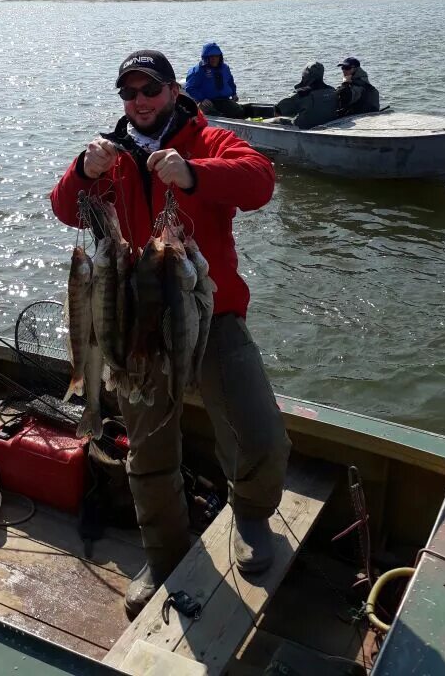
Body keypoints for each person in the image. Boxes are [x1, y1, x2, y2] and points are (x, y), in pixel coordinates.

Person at [51, 49, 290, 619]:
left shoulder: (208, 139)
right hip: (137, 325)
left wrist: (193, 173)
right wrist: (82, 172)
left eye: (149, 90)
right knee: (149, 450)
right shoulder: (109, 155)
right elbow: (65, 209)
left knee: (261, 436)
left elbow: (261, 182)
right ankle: (164, 554)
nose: (139, 102)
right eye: (129, 94)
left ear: (173, 89)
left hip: (212, 313)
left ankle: (251, 515)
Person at [184, 42, 247, 118]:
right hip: (206, 102)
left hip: (223, 100)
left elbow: (230, 82)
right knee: (216, 115)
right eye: (211, 56)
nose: (214, 59)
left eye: (216, 56)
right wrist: (202, 99)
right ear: (205, 57)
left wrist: (234, 94)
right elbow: (190, 87)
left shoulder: (225, 68)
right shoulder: (198, 70)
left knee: (239, 112)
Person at [273, 62, 338, 129]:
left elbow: (278, 108)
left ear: (305, 75)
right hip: (327, 124)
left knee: (275, 120)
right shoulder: (332, 90)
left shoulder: (301, 93)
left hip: (303, 127)